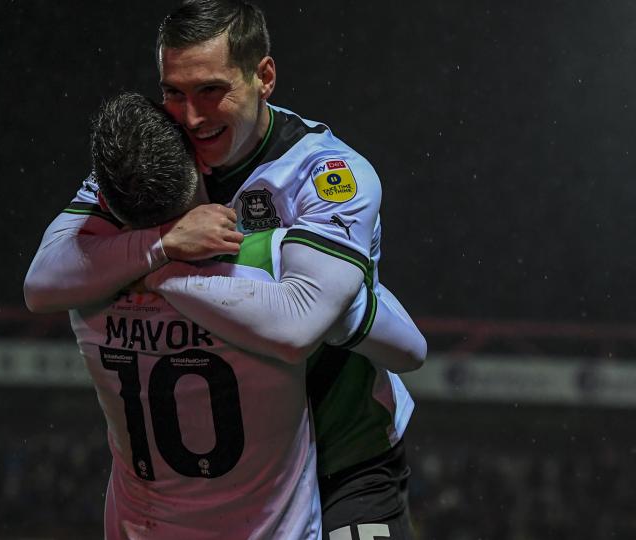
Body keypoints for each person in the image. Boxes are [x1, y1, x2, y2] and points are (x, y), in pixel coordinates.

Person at [25, 1, 424, 536]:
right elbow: (43, 279)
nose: (191, 117)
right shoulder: (157, 162)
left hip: (346, 446)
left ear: (264, 76)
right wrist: (165, 243)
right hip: (247, 472)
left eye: (211, 90)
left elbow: (302, 327)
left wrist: (153, 266)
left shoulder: (329, 173)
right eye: (174, 92)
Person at [78, 91, 322, 539]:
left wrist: (157, 267)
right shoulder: (267, 263)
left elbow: (41, 283)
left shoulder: (86, 290)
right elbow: (408, 347)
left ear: (107, 204)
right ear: (200, 167)